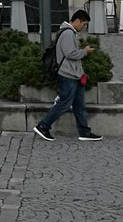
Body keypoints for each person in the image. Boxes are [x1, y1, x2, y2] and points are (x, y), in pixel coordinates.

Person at [33, 9, 102, 142]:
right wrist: (85, 52)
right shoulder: (67, 33)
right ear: (77, 21)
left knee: (79, 105)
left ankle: (84, 131)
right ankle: (43, 126)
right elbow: (71, 54)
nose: (84, 27)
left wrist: (81, 73)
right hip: (67, 75)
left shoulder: (69, 33)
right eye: (84, 24)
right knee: (64, 103)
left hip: (73, 75)